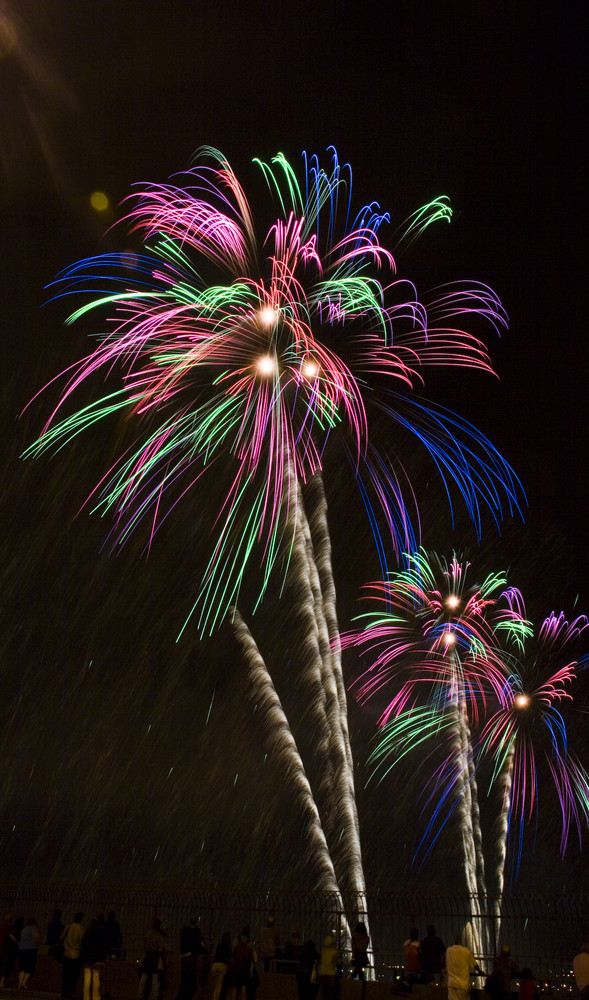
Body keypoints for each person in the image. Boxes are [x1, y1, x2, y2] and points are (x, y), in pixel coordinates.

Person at [446, 932, 482, 1000]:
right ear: (461, 940)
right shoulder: (466, 951)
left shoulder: (448, 950)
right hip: (463, 985)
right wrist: (480, 971)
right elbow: (475, 965)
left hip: (452, 984)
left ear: (453, 940)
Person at [138, 919, 167, 1000]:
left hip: (147, 956)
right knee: (155, 977)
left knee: (144, 976)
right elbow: (161, 950)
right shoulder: (159, 937)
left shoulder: (147, 935)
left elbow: (144, 946)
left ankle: (140, 994)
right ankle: (155, 996)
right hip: (155, 957)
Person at [175, 917, 202, 1000]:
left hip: (184, 956)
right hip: (191, 957)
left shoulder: (184, 931)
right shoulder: (196, 932)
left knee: (184, 980)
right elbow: (197, 945)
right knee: (191, 981)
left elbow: (182, 943)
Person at [80, 917, 106, 1000]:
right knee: (96, 979)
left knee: (87, 979)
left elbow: (83, 946)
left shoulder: (86, 934)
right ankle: (96, 997)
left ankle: (86, 997)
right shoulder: (99, 934)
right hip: (96, 960)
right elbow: (101, 947)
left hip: (87, 959)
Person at [61, 912, 85, 1000]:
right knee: (73, 976)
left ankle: (64, 992)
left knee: (65, 975)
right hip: (76, 954)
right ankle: (70, 992)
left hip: (66, 953)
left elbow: (61, 937)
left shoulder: (69, 926)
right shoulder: (81, 929)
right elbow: (82, 941)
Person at [232, 929, 258, 1000]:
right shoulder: (250, 946)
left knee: (235, 988)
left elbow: (232, 954)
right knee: (244, 989)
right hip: (245, 970)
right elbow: (255, 959)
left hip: (237, 969)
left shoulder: (237, 945)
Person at [18, 918, 39, 990]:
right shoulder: (34, 929)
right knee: (30, 967)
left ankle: (20, 983)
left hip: (22, 949)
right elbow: (37, 939)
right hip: (31, 949)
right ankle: (24, 982)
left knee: (22, 967)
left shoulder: (23, 930)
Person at [317, 934, 341, 1000]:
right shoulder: (335, 952)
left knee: (322, 993)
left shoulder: (323, 951)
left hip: (322, 973)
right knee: (331, 994)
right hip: (331, 974)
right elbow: (339, 962)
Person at [210, 931, 231, 1000]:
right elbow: (229, 957)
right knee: (219, 987)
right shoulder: (227, 947)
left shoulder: (219, 945)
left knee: (215, 986)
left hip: (215, 964)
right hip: (222, 965)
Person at [0, 913, 19, 988]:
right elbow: (11, 937)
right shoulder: (8, 927)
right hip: (4, 948)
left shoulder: (1, 926)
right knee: (5, 965)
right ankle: (2, 982)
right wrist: (18, 943)